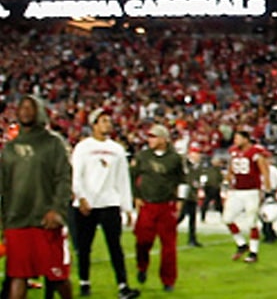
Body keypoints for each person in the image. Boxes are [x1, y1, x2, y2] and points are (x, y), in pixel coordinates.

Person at [0, 95, 74, 299]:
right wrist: (3, 221)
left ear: (39, 111)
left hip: (45, 220)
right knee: (17, 276)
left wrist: (57, 210)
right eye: (21, 107)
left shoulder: (53, 143)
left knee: (58, 276)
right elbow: (4, 187)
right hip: (16, 221)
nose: (25, 111)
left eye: (30, 107)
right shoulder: (10, 149)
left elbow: (64, 178)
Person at [70, 108, 140, 298]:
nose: (107, 124)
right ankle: (84, 282)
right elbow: (76, 175)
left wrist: (127, 208)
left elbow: (122, 180)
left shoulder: (117, 150)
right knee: (83, 247)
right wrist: (81, 197)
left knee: (115, 246)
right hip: (87, 203)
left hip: (109, 202)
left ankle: (123, 286)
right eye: (103, 120)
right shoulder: (83, 147)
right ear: (93, 124)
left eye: (109, 120)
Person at [130, 124, 185, 292]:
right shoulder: (142, 156)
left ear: (163, 139)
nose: (150, 140)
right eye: (149, 137)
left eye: (154, 136)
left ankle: (168, 280)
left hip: (166, 205)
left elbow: (183, 180)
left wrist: (180, 200)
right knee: (142, 241)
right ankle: (142, 266)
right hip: (147, 204)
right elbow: (132, 176)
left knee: (169, 246)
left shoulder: (175, 158)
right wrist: (136, 196)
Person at [223, 130, 270, 263]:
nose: (235, 141)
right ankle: (242, 244)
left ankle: (254, 253)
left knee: (251, 222)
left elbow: (264, 170)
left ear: (246, 139)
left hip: (252, 191)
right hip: (236, 190)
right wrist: (227, 180)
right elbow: (231, 168)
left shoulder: (255, 152)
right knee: (227, 219)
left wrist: (267, 189)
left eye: (238, 138)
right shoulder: (233, 151)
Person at [176, 147, 203, 247]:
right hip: (184, 195)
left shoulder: (197, 166)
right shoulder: (186, 164)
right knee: (181, 216)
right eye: (196, 154)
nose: (198, 156)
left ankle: (192, 239)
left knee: (192, 218)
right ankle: (167, 231)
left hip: (192, 195)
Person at [198, 156, 224, 222]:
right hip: (210, 187)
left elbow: (220, 178)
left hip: (215, 188)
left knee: (218, 203)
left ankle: (223, 217)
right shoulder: (209, 170)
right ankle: (203, 217)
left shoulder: (217, 170)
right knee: (207, 202)